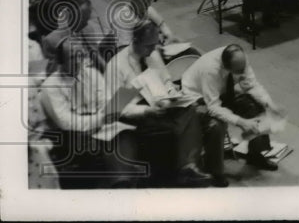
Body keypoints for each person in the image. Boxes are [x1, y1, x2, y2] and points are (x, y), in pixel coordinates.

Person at [104, 22, 220, 187]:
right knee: (188, 116)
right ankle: (186, 167)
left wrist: (174, 95)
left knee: (189, 108)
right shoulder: (117, 67)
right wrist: (146, 111)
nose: (153, 50)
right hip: (137, 117)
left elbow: (166, 81)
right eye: (149, 46)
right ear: (135, 40)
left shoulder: (152, 54)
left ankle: (188, 166)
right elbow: (117, 109)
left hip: (160, 105)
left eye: (155, 44)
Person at [40, 38, 142, 188]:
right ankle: (123, 181)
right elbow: (66, 121)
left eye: (81, 56)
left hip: (100, 127)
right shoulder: (50, 86)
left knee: (124, 133)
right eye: (73, 57)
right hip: (72, 135)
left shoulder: (92, 74)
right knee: (103, 142)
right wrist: (100, 119)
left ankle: (122, 183)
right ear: (60, 61)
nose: (78, 61)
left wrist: (110, 112)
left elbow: (105, 102)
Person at [181, 45, 286, 172]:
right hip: (197, 96)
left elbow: (252, 85)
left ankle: (254, 155)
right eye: (238, 71)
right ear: (226, 67)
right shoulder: (211, 71)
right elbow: (213, 106)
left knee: (255, 108)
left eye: (243, 69)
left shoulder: (240, 59)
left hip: (222, 90)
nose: (243, 73)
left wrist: (270, 104)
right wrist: (241, 121)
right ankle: (214, 170)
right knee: (216, 125)